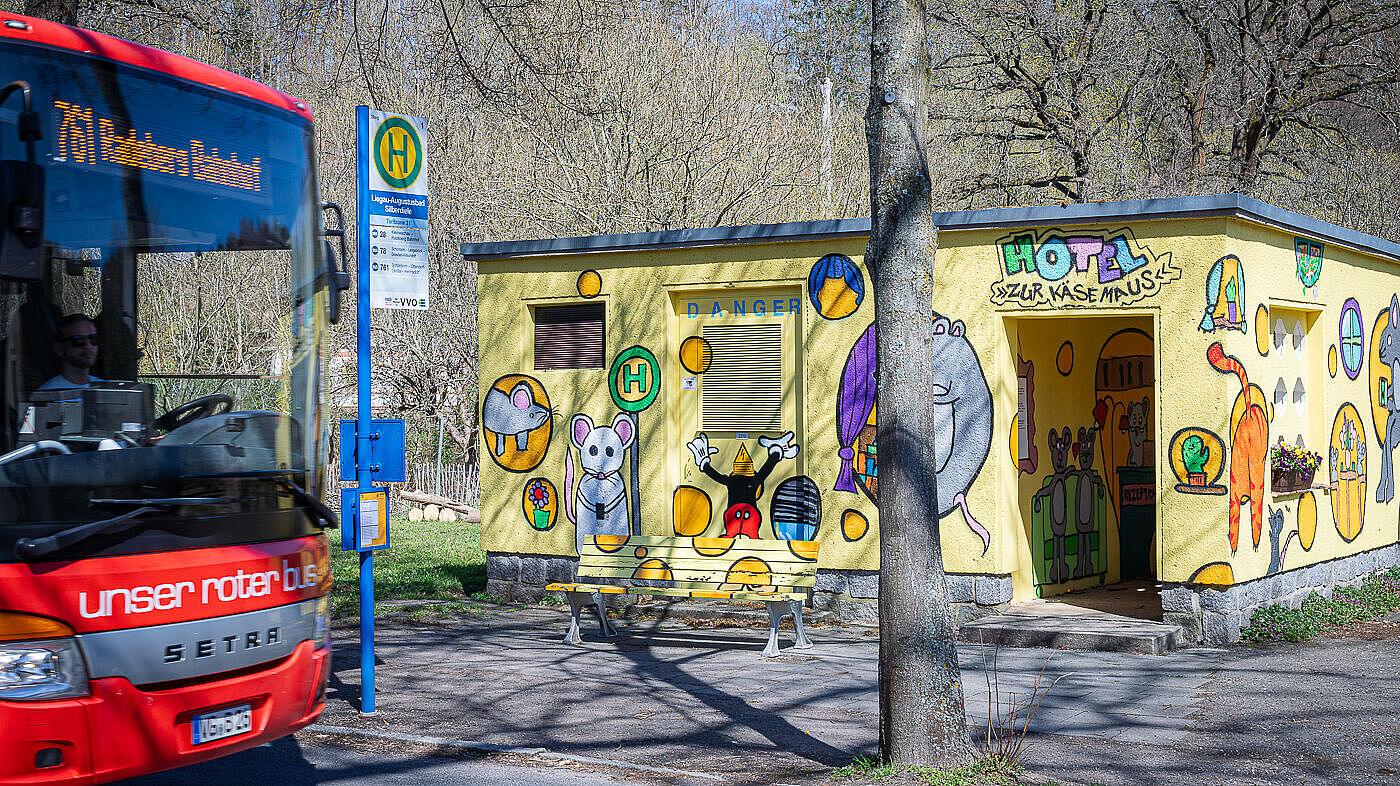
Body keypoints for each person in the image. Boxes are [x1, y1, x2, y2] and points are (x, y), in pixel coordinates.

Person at [37, 313, 104, 391]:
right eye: (78, 340)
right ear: (59, 348)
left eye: (93, 339)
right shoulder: (47, 393)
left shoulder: (105, 388)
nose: (88, 346)